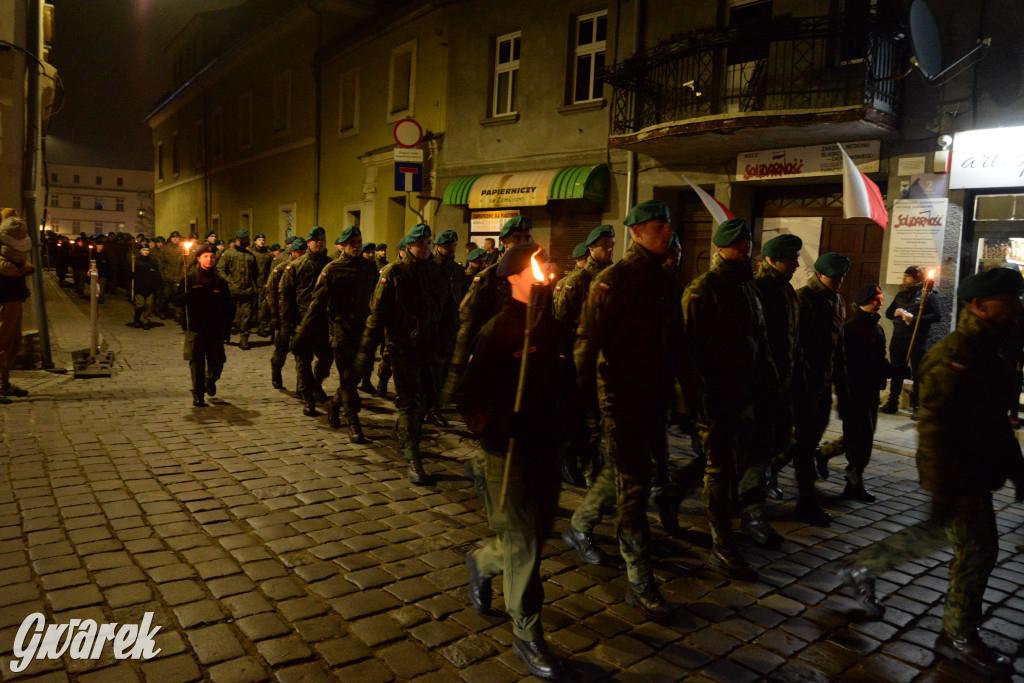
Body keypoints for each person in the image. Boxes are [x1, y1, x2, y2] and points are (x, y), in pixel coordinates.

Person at [839, 267, 1024, 677]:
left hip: (974, 472)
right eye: (1008, 302)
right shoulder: (954, 357)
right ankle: (957, 635)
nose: (1016, 309)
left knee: (938, 536)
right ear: (978, 306)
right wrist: (945, 486)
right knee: (978, 551)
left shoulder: (989, 350)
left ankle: (863, 567)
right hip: (957, 476)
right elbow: (935, 430)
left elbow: (994, 420)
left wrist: (1016, 469)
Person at [458, 245, 574, 681]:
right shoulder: (497, 331)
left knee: (536, 534)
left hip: (548, 449)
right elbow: (468, 398)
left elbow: (567, 385)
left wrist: (578, 431)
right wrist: (499, 422)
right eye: (534, 266)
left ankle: (483, 563)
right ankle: (527, 633)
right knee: (525, 544)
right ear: (513, 277)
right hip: (509, 455)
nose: (545, 270)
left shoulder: (551, 326)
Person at [573, 200, 679, 620]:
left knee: (625, 471)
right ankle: (639, 577)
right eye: (657, 226)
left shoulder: (666, 280)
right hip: (619, 397)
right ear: (635, 232)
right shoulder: (612, 281)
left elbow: (676, 346)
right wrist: (573, 410)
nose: (666, 233)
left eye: (667, 226)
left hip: (654, 396)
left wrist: (684, 398)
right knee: (634, 487)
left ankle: (580, 524)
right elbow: (586, 346)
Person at [680, 218, 779, 580]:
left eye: (747, 242)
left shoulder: (748, 288)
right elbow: (688, 353)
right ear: (720, 248)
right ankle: (722, 546)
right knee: (719, 470)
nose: (745, 248)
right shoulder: (703, 289)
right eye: (737, 244)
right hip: (716, 397)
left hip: (746, 395)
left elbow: (761, 341)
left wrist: (770, 385)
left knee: (734, 466)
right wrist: (694, 402)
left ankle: (673, 496)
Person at [357, 224, 458, 484]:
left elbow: (449, 312)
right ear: (409, 246)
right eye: (420, 243)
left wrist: (447, 344)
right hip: (403, 350)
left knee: (429, 398)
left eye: (428, 242)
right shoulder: (394, 272)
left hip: (431, 350)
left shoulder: (438, 273)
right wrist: (366, 352)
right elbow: (376, 316)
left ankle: (403, 431)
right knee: (410, 403)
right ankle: (413, 457)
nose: (425, 247)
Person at [294, 226, 377, 442]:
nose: (356, 246)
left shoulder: (369, 267)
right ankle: (353, 422)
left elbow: (379, 299)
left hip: (364, 330)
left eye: (359, 242)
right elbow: (316, 304)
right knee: (347, 377)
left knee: (359, 373)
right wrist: (301, 332)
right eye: (352, 243)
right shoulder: (332, 269)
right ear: (343, 246)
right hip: (341, 331)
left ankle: (333, 403)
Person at [788, 252, 851, 527]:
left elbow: (838, 347)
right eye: (835, 278)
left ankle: (771, 471)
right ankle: (805, 500)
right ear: (820, 275)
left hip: (822, 384)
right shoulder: (803, 299)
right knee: (804, 443)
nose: (839, 283)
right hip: (803, 385)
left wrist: (841, 382)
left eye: (842, 278)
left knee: (807, 440)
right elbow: (794, 346)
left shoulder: (836, 301)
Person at [753, 234, 803, 501]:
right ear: (771, 261)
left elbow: (792, 337)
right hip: (763, 382)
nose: (796, 264)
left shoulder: (786, 289)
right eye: (791, 259)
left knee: (782, 437)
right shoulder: (759, 290)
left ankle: (765, 478)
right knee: (758, 442)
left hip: (784, 378)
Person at [835, 283, 890, 502]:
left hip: (871, 391)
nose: (880, 302)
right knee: (860, 439)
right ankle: (853, 483)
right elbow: (851, 364)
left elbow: (879, 358)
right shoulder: (852, 329)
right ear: (862, 302)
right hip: (856, 391)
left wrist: (892, 369)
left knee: (863, 437)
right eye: (875, 299)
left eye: (881, 298)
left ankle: (847, 474)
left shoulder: (876, 327)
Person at [280, 226, 333, 415]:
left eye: (322, 239)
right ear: (308, 243)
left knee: (327, 357)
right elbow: (285, 295)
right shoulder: (296, 266)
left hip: (324, 323)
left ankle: (316, 384)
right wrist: (289, 322)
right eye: (315, 239)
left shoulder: (331, 265)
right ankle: (308, 399)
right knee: (303, 362)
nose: (319, 242)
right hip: (302, 322)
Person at [881, 265, 941, 419]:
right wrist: (895, 313)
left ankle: (917, 406)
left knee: (918, 373)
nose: (905, 279)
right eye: (905, 276)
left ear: (917, 279)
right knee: (897, 371)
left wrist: (914, 318)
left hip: (917, 339)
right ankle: (892, 402)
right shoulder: (902, 293)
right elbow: (888, 313)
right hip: (899, 337)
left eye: (908, 277)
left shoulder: (929, 294)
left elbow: (936, 316)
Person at [178, 244, 234, 407]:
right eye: (206, 257)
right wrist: (186, 297)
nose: (209, 259)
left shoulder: (219, 281)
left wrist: (227, 328)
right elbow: (176, 300)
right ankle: (198, 393)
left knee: (217, 362)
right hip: (196, 327)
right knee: (196, 362)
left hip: (214, 329)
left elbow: (228, 306)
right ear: (199, 258)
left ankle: (210, 380)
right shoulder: (190, 279)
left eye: (212, 257)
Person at [553, 225, 614, 339]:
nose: (611, 249)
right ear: (591, 248)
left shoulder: (616, 275)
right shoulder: (577, 280)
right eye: (605, 244)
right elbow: (563, 316)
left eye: (612, 244)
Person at [0, 211, 35, 401]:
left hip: (13, 300)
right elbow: (10, 270)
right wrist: (27, 268)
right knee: (1, 343)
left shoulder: (10, 250)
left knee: (11, 344)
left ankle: (4, 383)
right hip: (4, 301)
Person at [267, 237, 306, 390]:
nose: (301, 255)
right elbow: (271, 292)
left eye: (304, 252)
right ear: (292, 252)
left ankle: (301, 384)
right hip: (284, 315)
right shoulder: (282, 268)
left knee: (301, 352)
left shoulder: (306, 267)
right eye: (299, 252)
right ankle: (276, 370)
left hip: (300, 316)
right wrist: (274, 315)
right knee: (282, 348)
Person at [217, 229, 259, 350]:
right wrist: (229, 282)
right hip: (232, 290)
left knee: (247, 316)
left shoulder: (250, 256)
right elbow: (220, 269)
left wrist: (254, 286)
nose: (249, 240)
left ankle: (244, 340)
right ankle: (225, 333)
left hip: (247, 290)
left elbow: (255, 273)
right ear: (240, 239)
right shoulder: (228, 253)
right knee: (229, 314)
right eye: (247, 238)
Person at [130, 244, 162, 329]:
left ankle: (145, 321)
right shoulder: (136, 262)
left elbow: (157, 274)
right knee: (140, 304)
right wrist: (132, 275)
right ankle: (137, 317)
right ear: (140, 251)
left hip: (150, 288)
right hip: (140, 288)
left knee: (149, 304)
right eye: (144, 250)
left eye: (147, 250)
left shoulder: (152, 262)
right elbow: (129, 274)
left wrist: (157, 284)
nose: (146, 252)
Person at [251, 233, 275, 337]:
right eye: (259, 239)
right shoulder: (250, 253)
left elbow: (272, 268)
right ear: (255, 241)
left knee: (263, 306)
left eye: (263, 240)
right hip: (252, 283)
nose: (262, 241)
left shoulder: (268, 255)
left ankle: (261, 327)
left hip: (264, 283)